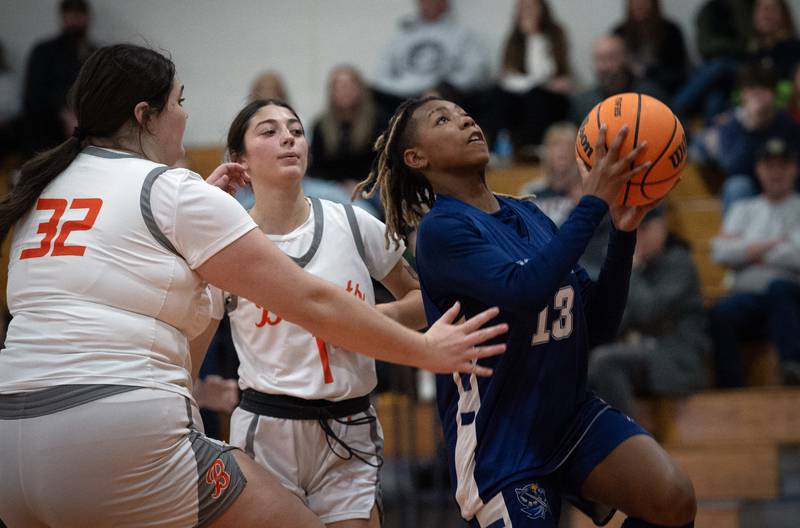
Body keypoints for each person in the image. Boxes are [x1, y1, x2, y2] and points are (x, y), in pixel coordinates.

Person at [0, 44, 508, 528]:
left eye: (296, 129)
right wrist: (423, 350)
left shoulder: (44, 186)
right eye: (179, 101)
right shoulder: (170, 190)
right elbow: (309, 300)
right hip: (143, 429)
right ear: (144, 115)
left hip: (11, 438)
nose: (185, 114)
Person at [354, 96, 696, 527]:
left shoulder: (531, 215)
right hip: (502, 439)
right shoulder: (441, 231)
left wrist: (623, 234)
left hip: (570, 417)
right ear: (416, 157)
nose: (465, 121)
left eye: (464, 114)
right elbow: (522, 292)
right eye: (443, 119)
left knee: (673, 501)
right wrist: (590, 206)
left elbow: (600, 324)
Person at [190, 98, 426, 527]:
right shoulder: (228, 245)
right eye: (269, 131)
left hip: (350, 423)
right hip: (269, 429)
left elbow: (421, 299)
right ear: (239, 161)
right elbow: (191, 353)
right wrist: (202, 392)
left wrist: (364, 325)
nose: (288, 138)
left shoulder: (355, 223)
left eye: (296, 130)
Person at [588, 207, 710, 417]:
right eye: (634, 229)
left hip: (676, 356)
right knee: (578, 364)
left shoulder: (679, 262)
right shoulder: (644, 265)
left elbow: (649, 311)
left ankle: (628, 440)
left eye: (643, 228)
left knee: (605, 361)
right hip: (646, 352)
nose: (637, 235)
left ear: (661, 227)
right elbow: (621, 319)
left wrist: (631, 269)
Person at [709, 137, 800, 387]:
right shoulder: (743, 209)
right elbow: (720, 253)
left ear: (794, 169)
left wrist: (748, 250)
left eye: (783, 165)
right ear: (759, 169)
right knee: (720, 313)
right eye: (769, 166)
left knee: (778, 289)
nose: (776, 172)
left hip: (791, 296)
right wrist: (777, 243)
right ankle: (730, 386)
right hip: (749, 297)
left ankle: (793, 367)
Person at [699, 62, 800, 213]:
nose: (758, 96)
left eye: (764, 89)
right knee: (736, 186)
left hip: (783, 183)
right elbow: (732, 167)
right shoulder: (730, 122)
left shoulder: (786, 122)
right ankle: (735, 235)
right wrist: (751, 127)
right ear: (743, 93)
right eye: (752, 89)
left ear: (773, 93)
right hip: (750, 184)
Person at [521, 122, 611, 280]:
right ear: (545, 151)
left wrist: (586, 206)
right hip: (541, 265)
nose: (562, 150)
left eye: (568, 145)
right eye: (555, 144)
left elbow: (603, 230)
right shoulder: (531, 191)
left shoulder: (589, 188)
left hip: (584, 265)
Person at [371, 0, 490, 119]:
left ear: (445, 3)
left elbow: (476, 72)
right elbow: (381, 77)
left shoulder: (461, 34)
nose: (428, 3)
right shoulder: (401, 37)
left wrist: (442, 88)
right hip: (402, 100)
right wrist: (411, 93)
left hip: (448, 97)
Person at [493, 0, 572, 151]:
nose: (526, 12)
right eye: (522, 9)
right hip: (520, 94)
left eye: (530, 7)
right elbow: (508, 75)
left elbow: (548, 72)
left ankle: (534, 148)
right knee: (498, 95)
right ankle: (503, 149)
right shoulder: (514, 38)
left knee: (536, 97)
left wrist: (534, 36)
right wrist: (534, 83)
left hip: (550, 98)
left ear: (542, 9)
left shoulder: (555, 35)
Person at [21, 0, 97, 156]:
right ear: (63, 17)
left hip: (87, 130)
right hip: (48, 132)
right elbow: (34, 93)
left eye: (79, 15)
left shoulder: (94, 52)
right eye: (70, 14)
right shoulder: (45, 51)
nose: (75, 20)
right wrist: (64, 112)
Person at [568, 34, 665, 125]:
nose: (603, 67)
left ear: (625, 59)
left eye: (610, 58)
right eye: (598, 59)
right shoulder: (583, 102)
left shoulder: (649, 96)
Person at [612, 0, 689, 97]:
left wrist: (649, 72)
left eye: (644, 2)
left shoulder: (670, 30)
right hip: (630, 90)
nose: (639, 5)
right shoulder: (620, 33)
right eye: (634, 2)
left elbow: (679, 71)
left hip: (667, 88)